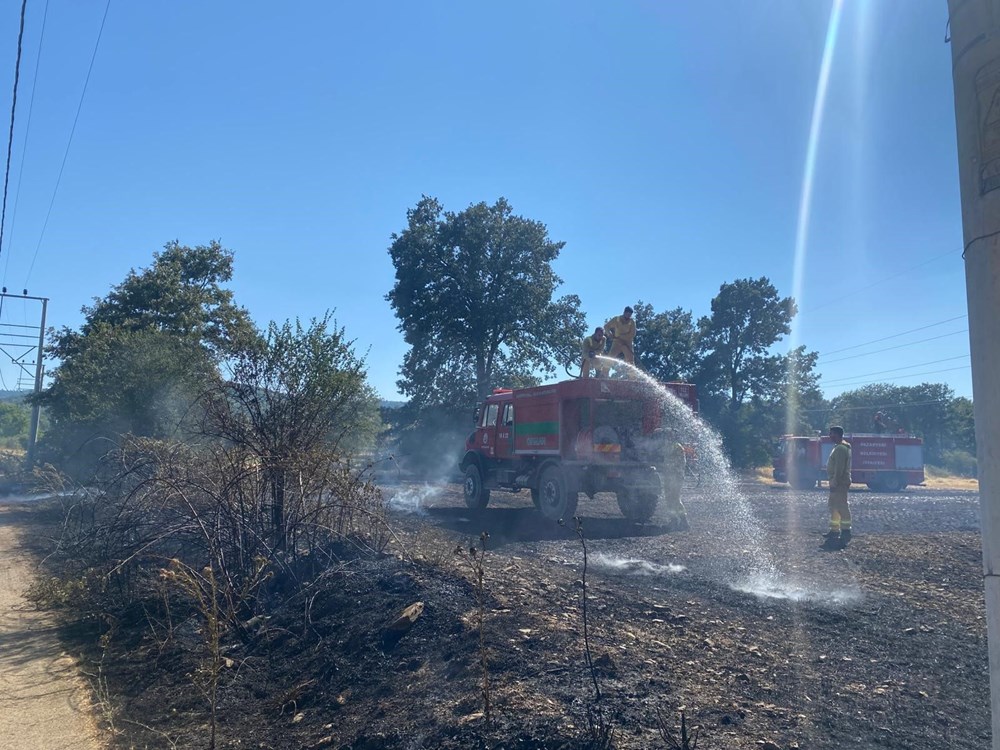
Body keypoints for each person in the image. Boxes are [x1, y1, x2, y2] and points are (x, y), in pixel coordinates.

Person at [824, 425, 853, 548]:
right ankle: (834, 530)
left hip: (840, 482)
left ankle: (846, 530)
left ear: (838, 434)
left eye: (832, 434)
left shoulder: (841, 448)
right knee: (833, 505)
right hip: (836, 481)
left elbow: (839, 468)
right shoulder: (838, 447)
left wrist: (834, 482)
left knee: (841, 505)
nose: (830, 436)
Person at [658, 427, 689, 531]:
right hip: (670, 476)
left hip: (675, 476)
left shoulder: (676, 447)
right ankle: (674, 521)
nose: (666, 436)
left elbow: (677, 463)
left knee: (674, 499)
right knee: (669, 498)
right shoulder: (670, 446)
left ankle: (683, 521)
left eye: (668, 435)